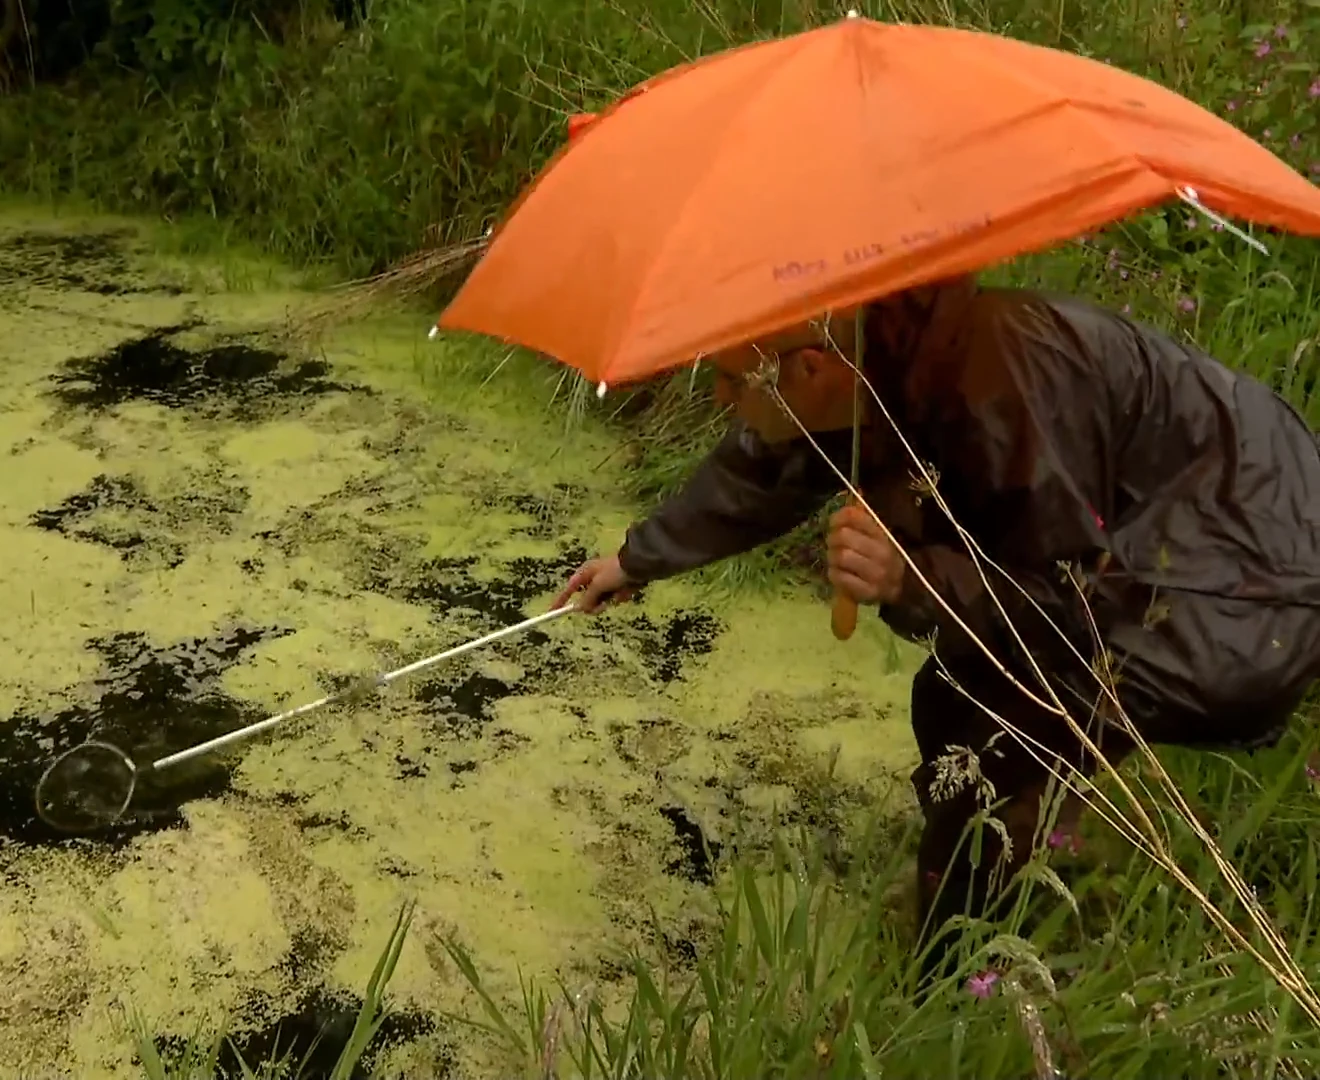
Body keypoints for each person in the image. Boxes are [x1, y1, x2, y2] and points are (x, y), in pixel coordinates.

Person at [552, 275, 1320, 977]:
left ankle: (953, 980)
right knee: (961, 701)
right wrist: (637, 559)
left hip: (1245, 584)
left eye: (729, 380)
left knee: (991, 727)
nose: (721, 401)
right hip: (1157, 535)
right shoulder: (870, 355)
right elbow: (771, 458)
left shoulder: (1000, 382)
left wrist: (910, 579)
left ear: (811, 370)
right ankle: (1016, 860)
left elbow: (1067, 605)